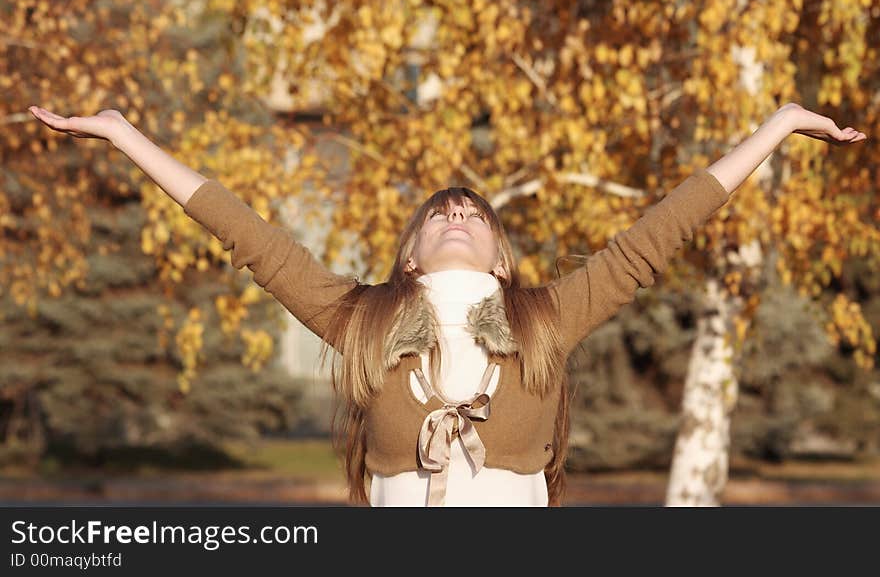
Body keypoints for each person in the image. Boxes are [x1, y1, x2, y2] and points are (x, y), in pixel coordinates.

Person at [27, 103, 867, 506]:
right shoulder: (363, 320)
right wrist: (123, 133)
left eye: (474, 212)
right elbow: (251, 236)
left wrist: (781, 124)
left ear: (503, 257)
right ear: (408, 252)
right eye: (439, 211)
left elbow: (658, 234)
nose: (456, 211)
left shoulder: (547, 316)